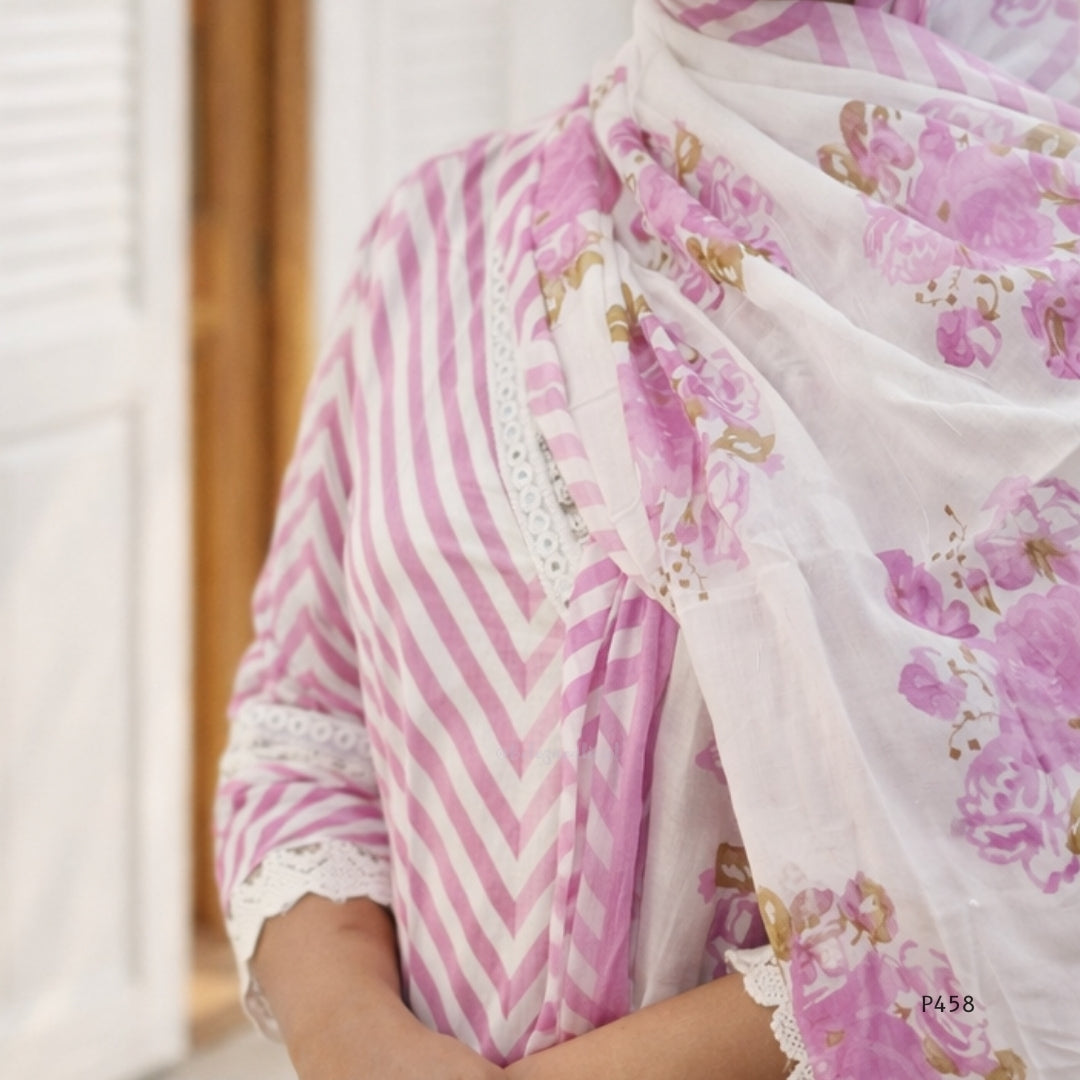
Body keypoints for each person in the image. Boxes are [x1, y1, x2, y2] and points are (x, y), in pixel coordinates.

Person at [214, 1, 1080, 1076]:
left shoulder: (1042, 268)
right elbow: (306, 720)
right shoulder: (439, 233)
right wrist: (354, 1037)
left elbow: (1024, 942)